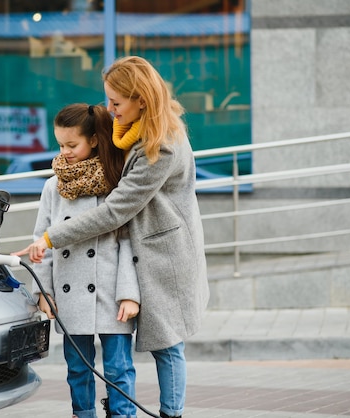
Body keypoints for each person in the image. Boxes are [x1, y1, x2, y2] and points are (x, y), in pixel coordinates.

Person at [14, 56, 210, 418]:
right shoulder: (133, 136)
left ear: (141, 100)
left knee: (166, 346)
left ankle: (172, 414)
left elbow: (115, 212)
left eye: (116, 103)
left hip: (161, 252)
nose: (110, 109)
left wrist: (51, 238)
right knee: (117, 357)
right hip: (144, 249)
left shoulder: (161, 146)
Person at [31, 103, 141, 418]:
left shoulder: (117, 182)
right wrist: (44, 292)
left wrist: (130, 293)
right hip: (70, 294)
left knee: (119, 368)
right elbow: (42, 239)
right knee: (78, 368)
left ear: (93, 140)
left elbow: (128, 244)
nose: (64, 152)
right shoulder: (53, 186)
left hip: (112, 293)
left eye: (71, 145)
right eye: (60, 144)